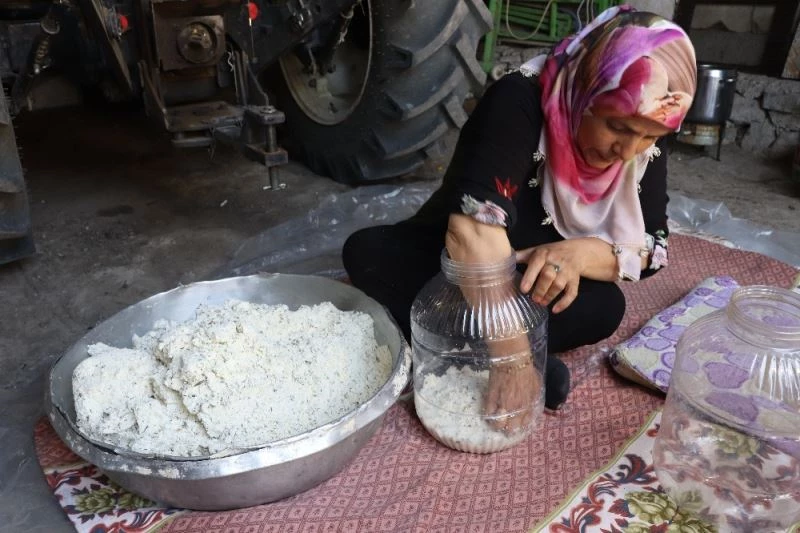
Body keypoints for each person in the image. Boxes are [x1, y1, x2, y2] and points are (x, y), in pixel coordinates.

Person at [343, 6, 697, 415]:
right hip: (456, 262)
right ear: (584, 93)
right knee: (368, 252)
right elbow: (472, 231)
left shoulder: (651, 113)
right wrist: (511, 359)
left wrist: (577, 254)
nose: (628, 151)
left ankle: (451, 348)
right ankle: (502, 351)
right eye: (616, 127)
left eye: (648, 137)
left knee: (604, 307)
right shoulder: (522, 99)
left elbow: (654, 248)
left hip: (531, 279)